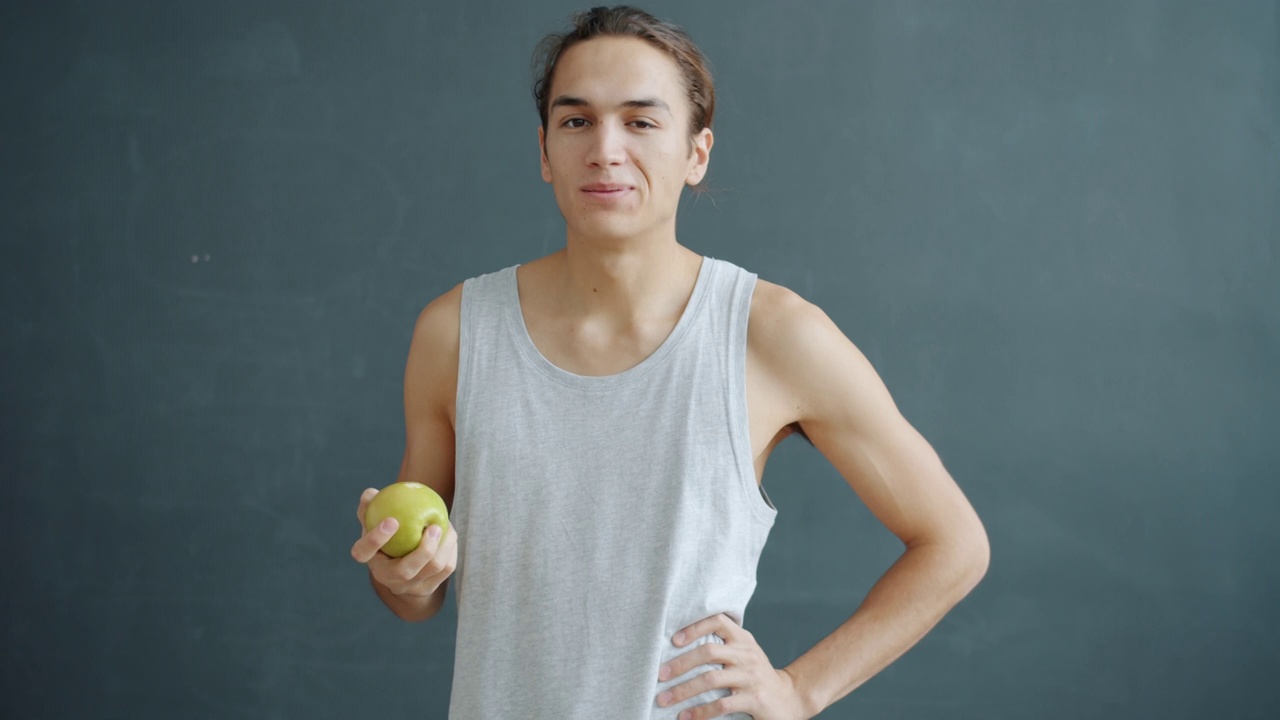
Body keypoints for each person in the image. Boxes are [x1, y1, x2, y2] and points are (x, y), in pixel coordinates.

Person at [350, 6, 989, 719]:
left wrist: (800, 689)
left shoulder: (772, 334)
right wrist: (403, 577)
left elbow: (954, 544)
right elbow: (415, 596)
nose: (605, 149)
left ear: (697, 153)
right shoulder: (456, 333)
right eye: (576, 121)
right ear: (543, 152)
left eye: (642, 122)